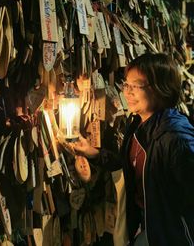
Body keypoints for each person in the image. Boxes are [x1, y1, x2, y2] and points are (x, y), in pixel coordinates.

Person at [72, 52, 194, 246]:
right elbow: (130, 165)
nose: (127, 92)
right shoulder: (139, 124)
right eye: (126, 84)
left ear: (160, 88)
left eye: (135, 86)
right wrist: (93, 153)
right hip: (146, 227)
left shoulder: (175, 138)